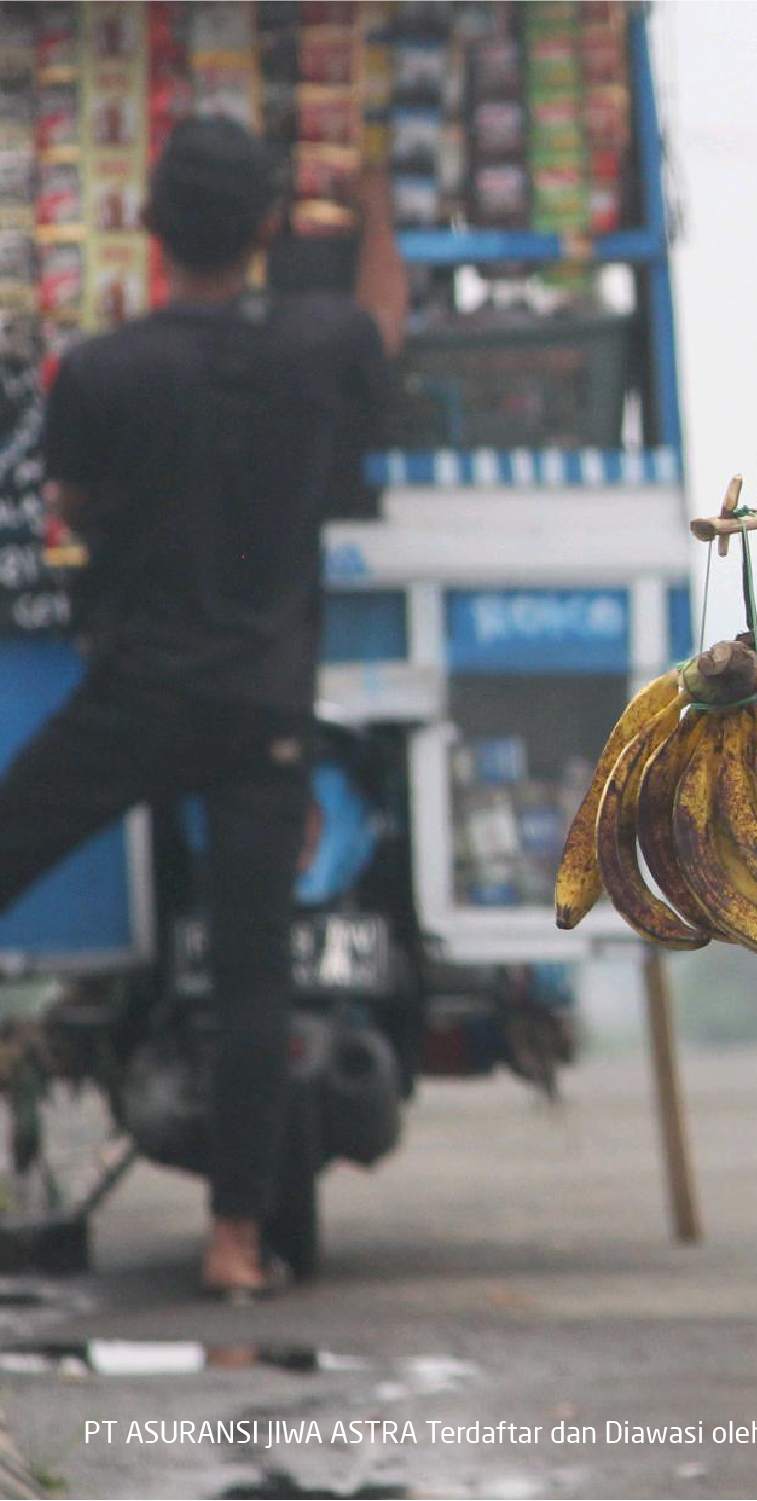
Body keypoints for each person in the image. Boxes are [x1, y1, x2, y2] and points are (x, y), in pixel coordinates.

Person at [0, 117, 405, 1299]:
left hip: (135, 695)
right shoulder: (317, 344)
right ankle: (237, 1243)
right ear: (271, 228)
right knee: (251, 978)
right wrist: (376, 201)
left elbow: (68, 494)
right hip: (262, 708)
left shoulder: (108, 369)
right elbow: (384, 319)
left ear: (144, 227)